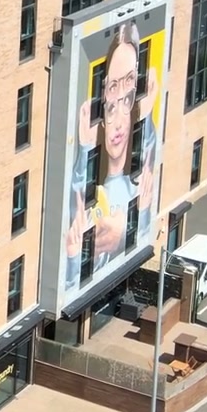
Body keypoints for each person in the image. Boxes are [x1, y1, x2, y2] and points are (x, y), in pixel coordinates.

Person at [63, 22, 162, 294]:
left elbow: (143, 235)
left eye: (128, 96)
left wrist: (147, 116)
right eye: (111, 102)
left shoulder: (140, 177)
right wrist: (84, 149)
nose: (119, 120)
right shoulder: (89, 180)